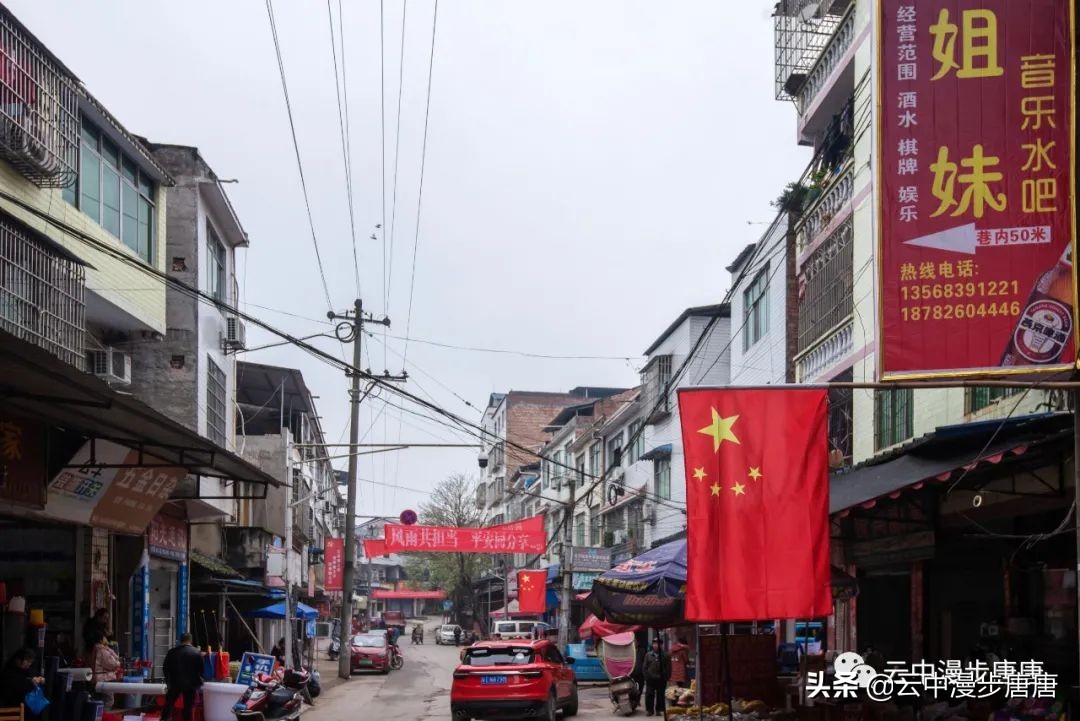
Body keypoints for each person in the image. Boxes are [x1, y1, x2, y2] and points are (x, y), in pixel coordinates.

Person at [161, 634, 203, 721]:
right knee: (188, 707)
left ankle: (165, 719)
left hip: (175, 683)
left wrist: (168, 682)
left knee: (169, 704)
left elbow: (165, 668)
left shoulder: (172, 652)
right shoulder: (196, 652)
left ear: (181, 641)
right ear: (191, 640)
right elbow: (201, 669)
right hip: (191, 684)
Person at [0, 649, 43, 713]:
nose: (29, 663)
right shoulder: (8, 672)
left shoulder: (29, 669)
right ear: (17, 660)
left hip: (29, 707)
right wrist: (30, 681)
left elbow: (36, 676)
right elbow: (15, 684)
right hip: (12, 707)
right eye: (27, 661)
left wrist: (40, 679)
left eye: (30, 661)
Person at [642, 638, 671, 717]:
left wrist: (667, 677)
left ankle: (659, 710)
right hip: (650, 679)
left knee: (660, 695)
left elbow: (668, 668)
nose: (656, 645)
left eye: (658, 644)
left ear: (661, 645)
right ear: (652, 645)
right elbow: (644, 667)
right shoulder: (648, 655)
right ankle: (649, 710)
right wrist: (646, 677)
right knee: (649, 694)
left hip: (661, 679)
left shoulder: (666, 655)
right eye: (654, 643)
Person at [90, 636, 121, 708]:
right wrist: (118, 663)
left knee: (98, 700)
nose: (106, 639)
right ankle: (104, 714)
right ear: (101, 640)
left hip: (96, 678)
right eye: (104, 637)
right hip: (104, 679)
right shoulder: (102, 650)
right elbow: (112, 664)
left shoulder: (95, 649)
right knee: (108, 701)